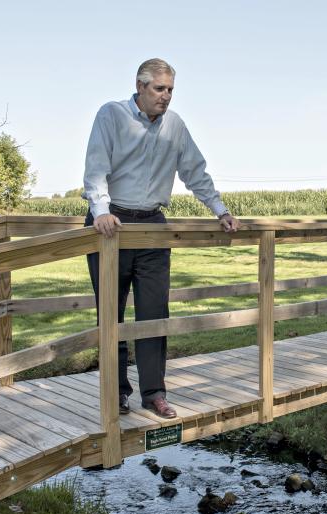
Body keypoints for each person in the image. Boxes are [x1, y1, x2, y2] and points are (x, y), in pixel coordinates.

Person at [83, 57, 240, 420]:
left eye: (170, 90)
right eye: (159, 89)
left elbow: (194, 171)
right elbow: (95, 168)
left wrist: (220, 210)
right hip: (112, 224)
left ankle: (154, 393)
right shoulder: (112, 115)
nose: (166, 96)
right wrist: (102, 210)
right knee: (112, 313)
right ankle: (117, 391)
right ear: (140, 87)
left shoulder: (175, 126)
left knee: (155, 313)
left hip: (153, 226)